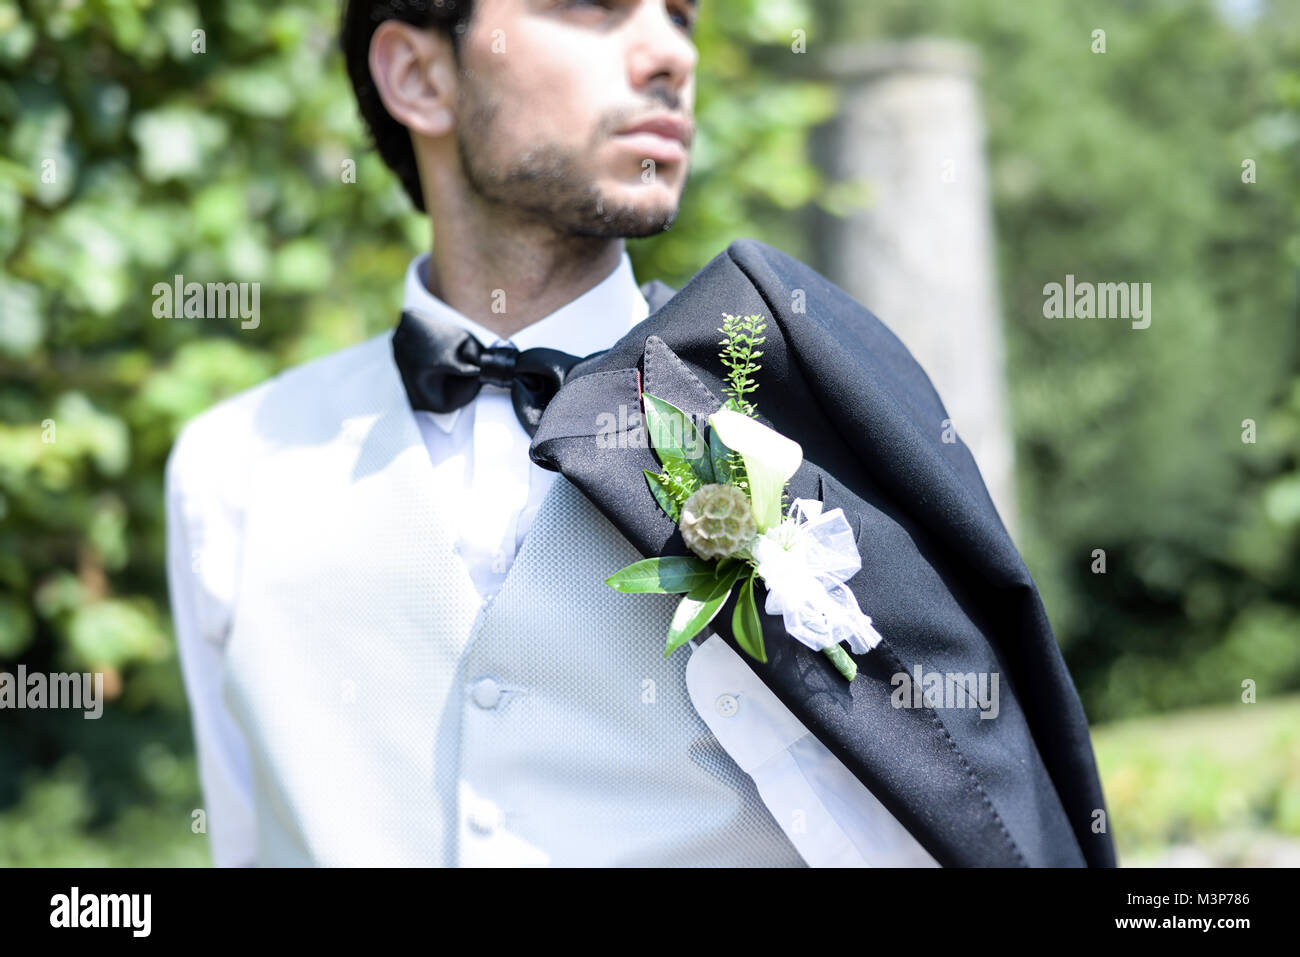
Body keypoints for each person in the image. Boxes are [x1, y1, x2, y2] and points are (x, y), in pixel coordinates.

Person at [165, 0, 1113, 867]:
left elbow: (957, 803)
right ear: (419, 75)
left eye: (681, 15)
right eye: (594, 8)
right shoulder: (228, 470)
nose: (668, 54)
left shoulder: (786, 403)